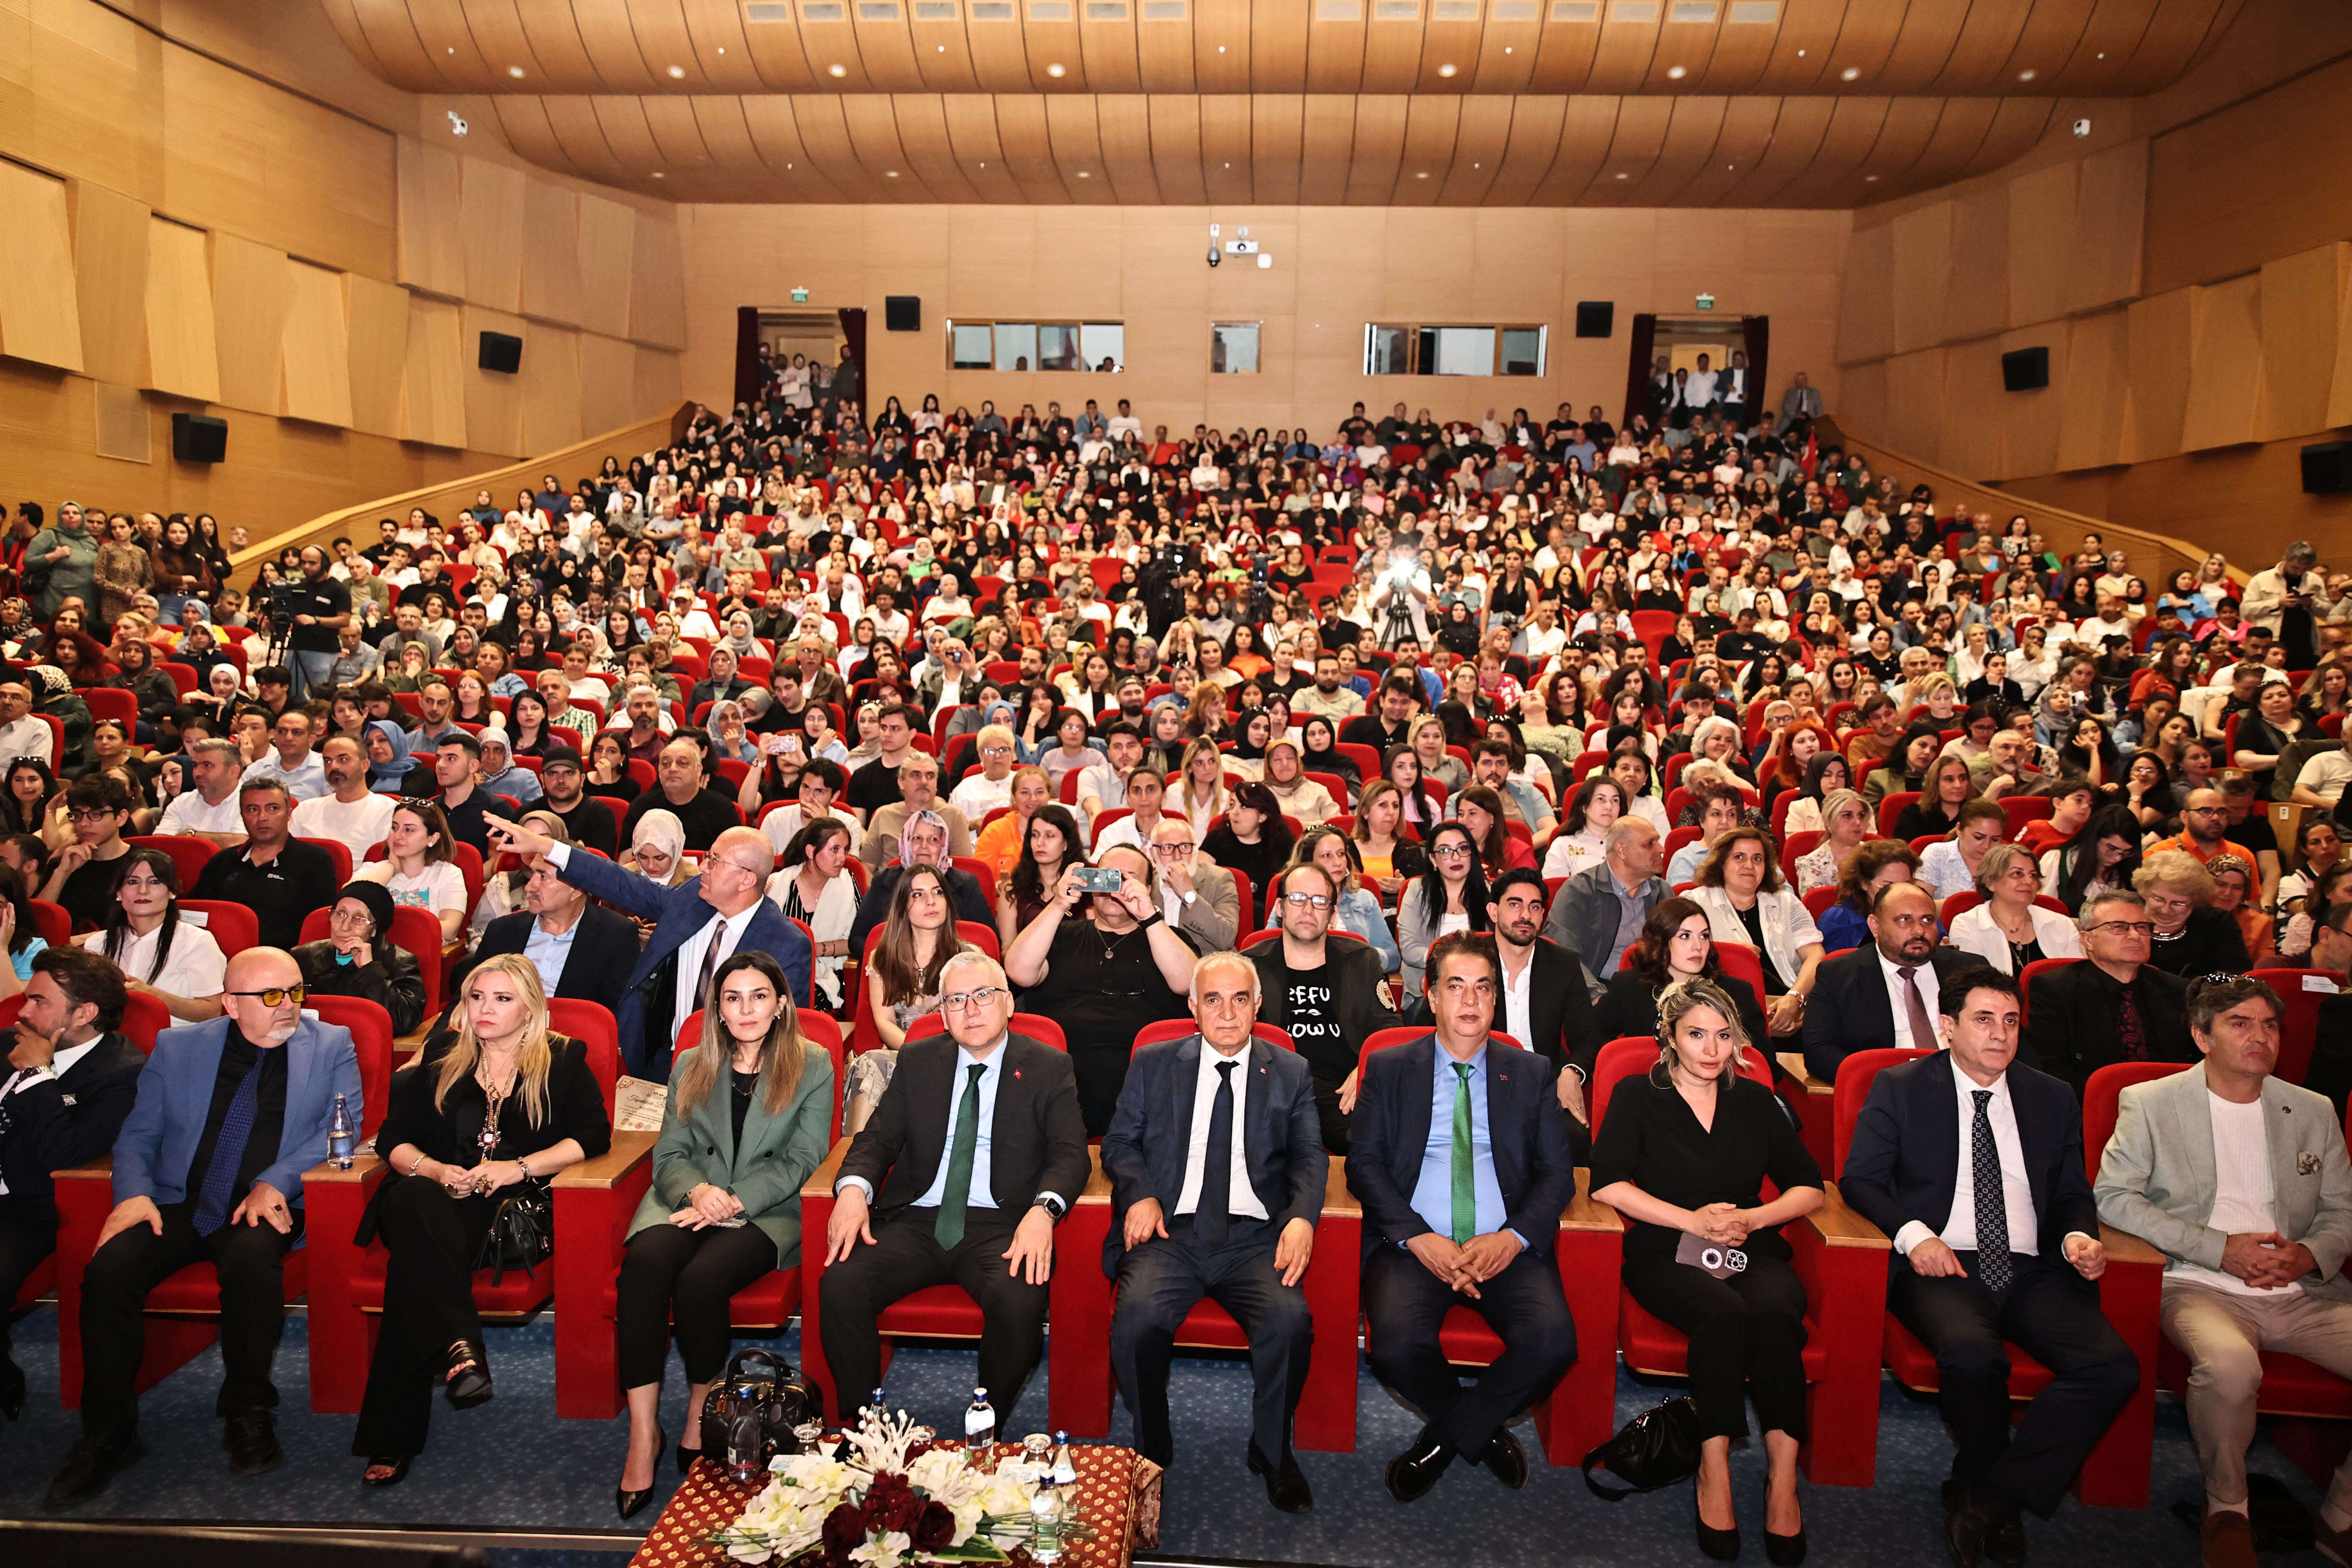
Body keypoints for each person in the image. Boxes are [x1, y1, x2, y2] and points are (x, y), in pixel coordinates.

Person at [1843, 966, 2136, 1568]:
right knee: (1973, 1356)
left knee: (2113, 1368)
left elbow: (2072, 1193)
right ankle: (1991, 1493)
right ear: (1947, 1027)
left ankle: (1988, 1493)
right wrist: (1914, 1235)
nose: (2000, 1035)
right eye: (1984, 1020)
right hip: (1940, 1261)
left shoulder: (2051, 1095)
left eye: (2010, 1021)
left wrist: (2080, 1235)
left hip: (2032, 1267)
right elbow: (1860, 1180)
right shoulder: (1900, 1087)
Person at [47, 948, 360, 1504]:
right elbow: (140, 1135)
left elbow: (340, 1131)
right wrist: (134, 1196)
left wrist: (276, 1181)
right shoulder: (179, 1047)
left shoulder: (331, 1044)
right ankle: (108, 1432)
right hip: (180, 1200)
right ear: (230, 1004)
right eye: (270, 996)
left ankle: (248, 1411)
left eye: (295, 992)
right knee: (108, 1272)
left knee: (249, 1265)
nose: (288, 1006)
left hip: (263, 1204)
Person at [2095, 975, 2352, 1568]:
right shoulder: (2152, 1103)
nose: (2260, 1037)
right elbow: (2115, 1199)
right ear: (2201, 1036)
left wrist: (2308, 1255)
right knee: (2231, 1367)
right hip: (2199, 1281)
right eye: (2241, 1024)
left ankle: (2341, 1513)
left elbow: (2342, 1210)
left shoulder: (2312, 1110)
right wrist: (2219, 1249)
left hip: (2303, 1289)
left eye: (2269, 1025)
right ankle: (2228, 1509)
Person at [352, 954, 609, 1485]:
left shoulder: (561, 1059)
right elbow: (394, 1139)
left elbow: (591, 1138)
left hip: (506, 1212)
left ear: (530, 1008)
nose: (484, 1010)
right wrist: (439, 1170)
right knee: (414, 1202)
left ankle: (397, 1433)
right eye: (476, 997)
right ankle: (462, 1350)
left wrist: (518, 1169)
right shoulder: (444, 1053)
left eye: (501, 999)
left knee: (413, 1273)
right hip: (435, 1196)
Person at [1592, 975, 1822, 1562]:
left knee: (1775, 1312)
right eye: (1697, 1035)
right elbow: (1609, 1186)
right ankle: (1713, 1465)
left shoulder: (1754, 1099)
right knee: (1724, 1315)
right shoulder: (1635, 1094)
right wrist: (1691, 1221)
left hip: (1747, 1244)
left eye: (1724, 1036)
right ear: (1669, 1036)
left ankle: (1782, 1478)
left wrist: (1753, 1218)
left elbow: (1810, 1189)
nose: (1712, 1050)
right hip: (1667, 1248)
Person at [1349, 933, 1578, 1504]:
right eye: (1456, 987)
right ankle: (1482, 1432)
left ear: (1496, 1002)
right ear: (1431, 995)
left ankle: (1443, 1442)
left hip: (1504, 1245)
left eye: (1483, 988)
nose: (1471, 1001)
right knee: (1395, 1345)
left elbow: (1558, 1175)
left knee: (1553, 1342)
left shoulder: (1531, 1072)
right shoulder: (1389, 1067)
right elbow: (1365, 1165)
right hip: (1415, 1244)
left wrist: (1514, 1238)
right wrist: (1417, 1237)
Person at [818, 951, 1090, 1424]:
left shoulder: (1048, 1065)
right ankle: (863, 1428)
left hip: (1001, 1223)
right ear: (941, 1014)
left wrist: (1043, 1211)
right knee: (840, 1283)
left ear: (1008, 1004)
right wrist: (852, 1190)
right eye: (957, 1000)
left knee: (1019, 1297)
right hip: (919, 1217)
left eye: (983, 996)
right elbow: (878, 1138)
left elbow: (1071, 1154)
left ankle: (986, 1422)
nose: (971, 1009)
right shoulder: (920, 1059)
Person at [1100, 950, 1326, 1509]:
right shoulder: (1154, 1063)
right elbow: (1119, 1143)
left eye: (1240, 999)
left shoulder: (1290, 1070)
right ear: (1193, 1006)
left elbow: (1309, 1155)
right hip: (1170, 1234)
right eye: (1214, 999)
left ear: (1258, 1006)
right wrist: (1143, 1193)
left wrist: (1301, 1217)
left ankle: (1273, 1450)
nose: (1227, 1012)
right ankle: (1151, 1447)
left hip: (1254, 1238)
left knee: (1289, 1321)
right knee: (1136, 1321)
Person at [614, 951, 835, 1516]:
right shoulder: (691, 1063)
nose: (746, 1009)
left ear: (781, 1004)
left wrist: (733, 1199)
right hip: (688, 1200)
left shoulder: (812, 1064)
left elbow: (804, 1160)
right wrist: (699, 1194)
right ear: (717, 1010)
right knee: (643, 1267)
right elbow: (669, 1153)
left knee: (700, 1282)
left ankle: (698, 1411)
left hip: (766, 1209)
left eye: (759, 996)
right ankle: (643, 1435)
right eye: (732, 998)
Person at [481, 812, 811, 1081]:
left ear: (746, 879)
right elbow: (622, 883)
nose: (702, 867)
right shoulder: (693, 900)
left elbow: (786, 1038)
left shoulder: (785, 945)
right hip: (663, 1063)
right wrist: (547, 846)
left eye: (714, 861)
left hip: (737, 1074)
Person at [0, 949, 146, 1423]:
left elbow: (62, 1157)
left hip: (29, 1208)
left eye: (39, 1002)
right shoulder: (8, 1042)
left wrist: (40, 1073)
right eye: (27, 999)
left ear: (83, 1014)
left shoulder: (121, 1074)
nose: (23, 1012)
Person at [1004, 843, 1196, 1135]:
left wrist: (1149, 918)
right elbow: (1019, 972)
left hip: (1148, 1086)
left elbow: (1189, 983)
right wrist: (1058, 905)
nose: (1115, 887)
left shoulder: (1169, 938)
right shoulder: (1061, 934)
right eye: (1107, 876)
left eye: (1126, 878)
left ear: (1145, 888)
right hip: (1061, 1081)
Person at [1247, 859, 1400, 1155]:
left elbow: (1388, 1028)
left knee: (1376, 1149)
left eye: (1319, 901)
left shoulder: (1361, 960)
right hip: (1272, 1088)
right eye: (1297, 898)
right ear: (1280, 908)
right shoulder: (1250, 965)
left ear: (1333, 913)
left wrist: (1366, 1068)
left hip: (1342, 1090)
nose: (1308, 909)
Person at [2019, 889, 2196, 1095]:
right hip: (2091, 1105)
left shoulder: (2177, 990)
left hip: (2168, 1104)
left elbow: (2193, 1062)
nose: (2135, 936)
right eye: (2119, 927)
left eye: (2141, 927)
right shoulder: (2056, 989)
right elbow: (2048, 1069)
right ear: (2088, 941)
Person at [445, 849, 637, 1037]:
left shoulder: (616, 935)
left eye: (543, 877)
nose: (529, 887)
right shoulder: (503, 930)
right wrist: (430, 1045)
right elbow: (467, 998)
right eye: (532, 874)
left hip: (570, 1046)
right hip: (497, 1039)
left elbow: (616, 1017)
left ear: (577, 889)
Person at [1800, 881, 1976, 1081]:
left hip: (1964, 1083)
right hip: (1885, 1090)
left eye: (1928, 920)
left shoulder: (1968, 970)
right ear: (1875, 926)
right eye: (1905, 920)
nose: (1919, 930)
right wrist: (1881, 1084)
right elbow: (1819, 1051)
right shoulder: (1839, 975)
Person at [1687, 827, 1823, 1035]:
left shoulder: (1786, 902)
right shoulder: (1694, 904)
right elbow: (1681, 958)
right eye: (1739, 857)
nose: (1749, 866)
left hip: (1789, 1008)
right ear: (1721, 863)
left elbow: (1816, 956)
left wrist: (1795, 998)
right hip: (1722, 1014)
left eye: (1757, 859)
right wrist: (1730, 953)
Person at [1593, 895, 1771, 1047]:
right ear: (1661, 942)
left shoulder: (1737, 993)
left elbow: (1764, 1063)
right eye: (1685, 936)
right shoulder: (1629, 987)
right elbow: (1591, 1035)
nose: (1698, 947)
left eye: (1704, 936)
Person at [187, 780, 340, 951]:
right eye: (253, 809)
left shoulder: (315, 861)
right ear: (242, 814)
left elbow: (317, 928)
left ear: (289, 814)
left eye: (273, 808)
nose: (262, 818)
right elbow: (194, 913)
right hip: (215, 955)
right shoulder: (223, 861)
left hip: (281, 960)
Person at [78, 847, 227, 1025]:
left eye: (155, 882)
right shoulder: (97, 944)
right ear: (119, 893)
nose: (143, 891)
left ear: (172, 892)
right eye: (133, 882)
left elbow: (211, 1012)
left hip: (173, 1041)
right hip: (113, 1040)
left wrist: (152, 995)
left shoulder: (197, 942)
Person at [846, 812, 995, 959]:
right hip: (895, 968)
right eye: (917, 839)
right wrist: (896, 960)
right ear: (905, 842)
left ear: (943, 846)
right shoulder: (884, 881)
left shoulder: (965, 885)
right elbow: (857, 939)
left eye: (933, 840)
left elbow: (989, 941)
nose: (924, 846)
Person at [291, 880, 427, 1037]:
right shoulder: (303, 956)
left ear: (375, 930)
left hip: (364, 1047)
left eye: (358, 919)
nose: (345, 927)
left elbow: (403, 1022)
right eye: (340, 914)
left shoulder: (400, 962)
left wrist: (370, 970)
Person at [1545, 818, 1669, 989]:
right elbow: (1563, 956)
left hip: (1653, 991)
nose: (1661, 849)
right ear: (1621, 850)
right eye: (1649, 844)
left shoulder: (1663, 892)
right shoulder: (1579, 892)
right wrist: (1597, 996)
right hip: (1597, 990)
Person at [1947, 843, 2082, 975]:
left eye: (2033, 875)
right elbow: (1972, 983)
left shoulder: (2062, 924)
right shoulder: (1967, 925)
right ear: (1990, 882)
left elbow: (2078, 979)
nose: (2029, 881)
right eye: (2017, 874)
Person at [766, 819, 857, 1012]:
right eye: (835, 850)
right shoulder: (778, 885)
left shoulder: (848, 885)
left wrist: (818, 949)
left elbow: (858, 942)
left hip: (832, 972)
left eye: (846, 850)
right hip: (782, 969)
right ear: (810, 851)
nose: (842, 858)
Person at [1397, 821, 1492, 1004]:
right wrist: (1447, 970)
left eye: (1462, 849)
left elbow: (1498, 948)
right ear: (1433, 859)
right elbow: (1410, 949)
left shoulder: (1491, 892)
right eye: (1445, 851)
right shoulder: (1417, 890)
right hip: (1426, 989)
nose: (1456, 857)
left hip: (1479, 989)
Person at [355, 799, 471, 944]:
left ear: (432, 838)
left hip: (420, 958)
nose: (398, 836)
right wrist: (392, 868)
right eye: (394, 827)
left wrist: (390, 930)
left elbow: (450, 929)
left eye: (408, 830)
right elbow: (349, 900)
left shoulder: (449, 874)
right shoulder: (374, 870)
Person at [2135, 850, 2254, 976]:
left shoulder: (2218, 923)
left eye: (2178, 903)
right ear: (2145, 892)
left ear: (2195, 901)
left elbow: (2237, 976)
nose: (2166, 910)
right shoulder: (2125, 919)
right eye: (2158, 899)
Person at [42, 776, 135, 933]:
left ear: (121, 818)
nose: (84, 823)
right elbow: (37, 925)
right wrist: (62, 874)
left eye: (97, 814)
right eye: (78, 815)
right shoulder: (63, 864)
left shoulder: (143, 864)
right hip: (64, 953)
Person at [289, 735, 398, 864]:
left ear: (365, 765)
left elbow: (387, 864)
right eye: (328, 761)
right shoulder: (305, 809)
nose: (334, 766)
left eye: (343, 760)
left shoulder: (389, 810)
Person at [861, 752, 975, 872]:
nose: (924, 781)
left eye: (930, 776)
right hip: (891, 887)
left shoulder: (954, 816)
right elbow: (867, 867)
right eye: (916, 775)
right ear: (901, 782)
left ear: (936, 785)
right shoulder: (884, 815)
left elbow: (964, 868)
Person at [622, 738, 741, 853]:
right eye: (666, 764)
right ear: (659, 771)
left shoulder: (722, 809)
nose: (673, 769)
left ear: (698, 770)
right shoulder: (641, 806)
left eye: (682, 763)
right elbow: (626, 859)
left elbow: (734, 859)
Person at [1148, 815, 1242, 953]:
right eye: (1168, 848)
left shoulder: (1219, 879)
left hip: (1205, 968)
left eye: (1184, 847)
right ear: (1154, 853)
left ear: (1194, 851)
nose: (1177, 857)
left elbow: (1226, 938)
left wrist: (1189, 895)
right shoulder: (1146, 886)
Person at [157, 737, 251, 845]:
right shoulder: (182, 802)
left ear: (234, 772)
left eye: (208, 766)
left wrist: (191, 835)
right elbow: (159, 844)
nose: (197, 773)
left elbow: (240, 844)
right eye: (195, 766)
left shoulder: (251, 802)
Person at [1917, 800, 2010, 905]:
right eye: (1978, 838)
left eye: (1995, 840)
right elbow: (1919, 905)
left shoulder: (2008, 860)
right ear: (1959, 830)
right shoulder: (1936, 854)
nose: (1986, 846)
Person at [531, 745, 619, 854]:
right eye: (553, 773)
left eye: (569, 773)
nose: (561, 780)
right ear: (542, 780)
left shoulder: (601, 816)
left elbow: (600, 867)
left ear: (582, 779)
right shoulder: (529, 813)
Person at [239, 709, 328, 802]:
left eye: (297, 732)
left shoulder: (326, 769)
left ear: (311, 740)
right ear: (275, 737)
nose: (288, 738)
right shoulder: (256, 769)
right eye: (282, 732)